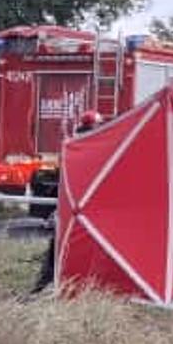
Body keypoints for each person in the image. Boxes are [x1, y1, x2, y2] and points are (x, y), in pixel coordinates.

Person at [30, 110, 103, 293]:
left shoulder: (72, 144)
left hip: (71, 203)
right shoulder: (93, 144)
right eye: (99, 124)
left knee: (59, 244)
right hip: (84, 203)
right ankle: (81, 283)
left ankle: (45, 283)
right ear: (94, 126)